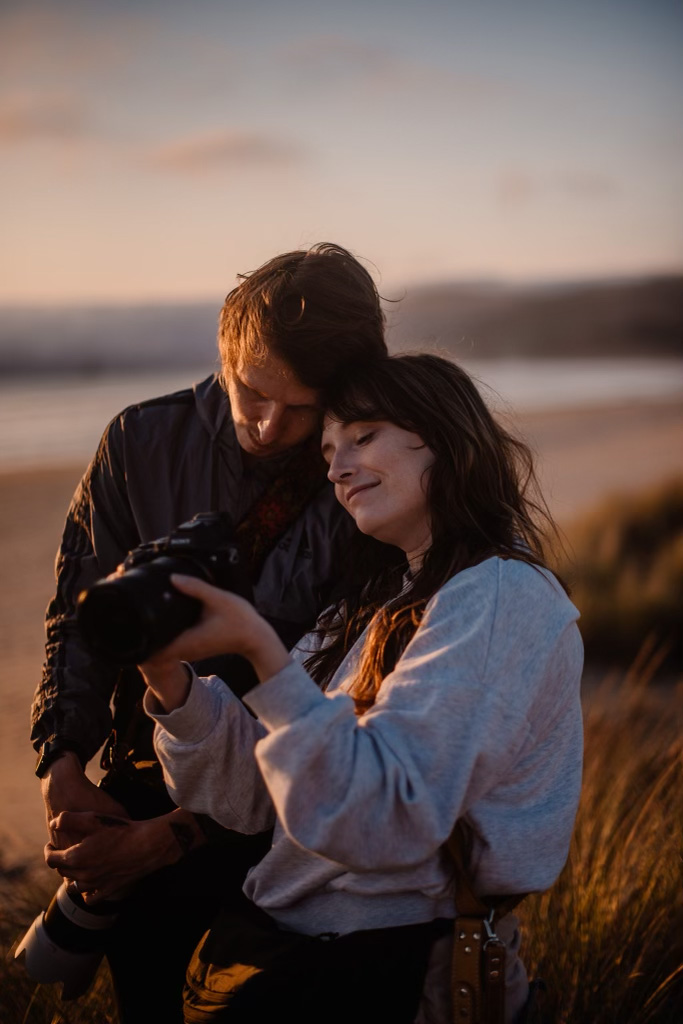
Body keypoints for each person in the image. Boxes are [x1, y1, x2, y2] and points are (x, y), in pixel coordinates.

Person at [99, 352, 584, 1023]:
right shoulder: (371, 605)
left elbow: (385, 821)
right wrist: (168, 675)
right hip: (279, 956)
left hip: (390, 974)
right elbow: (253, 800)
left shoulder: (499, 594)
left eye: (362, 436)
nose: (335, 466)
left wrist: (263, 655)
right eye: (328, 450)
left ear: (444, 435)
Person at [31, 242, 389, 1022]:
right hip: (147, 768)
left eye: (302, 407)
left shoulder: (368, 478)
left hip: (299, 818)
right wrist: (61, 767)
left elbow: (358, 707)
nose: (267, 424)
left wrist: (175, 838)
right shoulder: (139, 441)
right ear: (224, 349)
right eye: (251, 389)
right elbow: (79, 612)